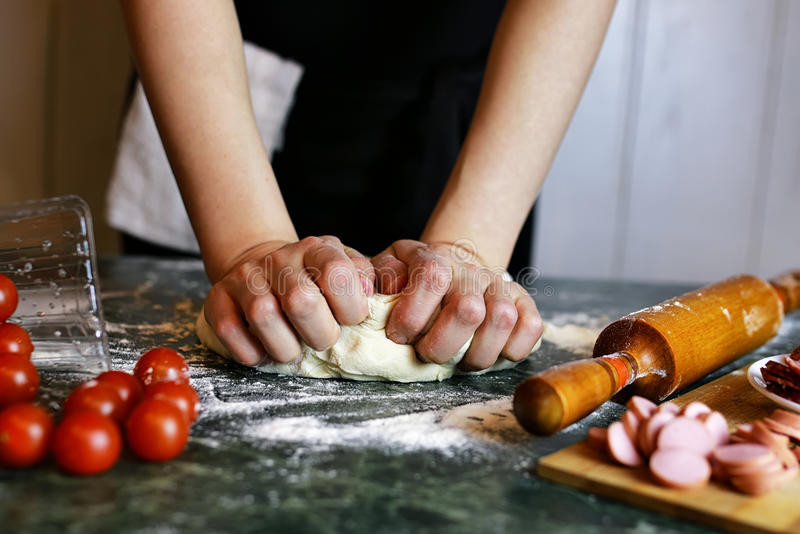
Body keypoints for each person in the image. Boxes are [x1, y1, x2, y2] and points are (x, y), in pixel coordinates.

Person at [111, 0, 616, 371]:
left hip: (482, 130)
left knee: (459, 328)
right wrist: (248, 244)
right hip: (218, 105)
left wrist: (471, 246)